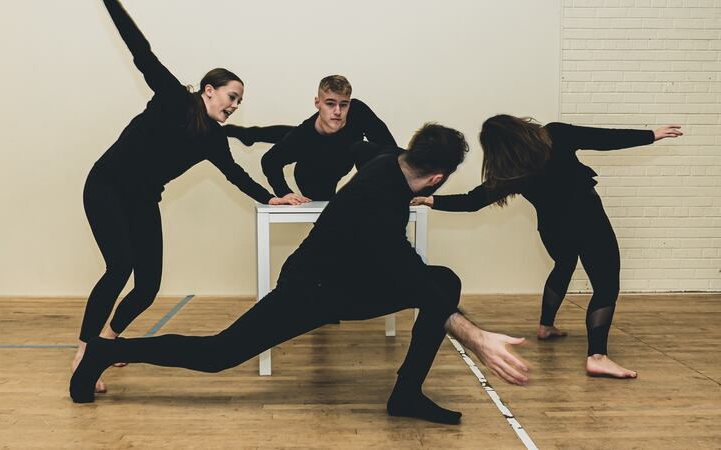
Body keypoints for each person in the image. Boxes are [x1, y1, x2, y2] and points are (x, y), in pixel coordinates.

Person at [71, 124, 529, 425]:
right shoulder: (378, 205)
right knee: (218, 354)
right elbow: (412, 280)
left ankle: (405, 395)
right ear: (437, 179)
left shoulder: (386, 158)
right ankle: (104, 351)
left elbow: (357, 145)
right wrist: (478, 337)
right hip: (310, 290)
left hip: (351, 283)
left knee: (443, 281)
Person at [75, 0, 297, 394]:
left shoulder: (213, 139)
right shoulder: (174, 98)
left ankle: (107, 341)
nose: (235, 105)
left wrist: (270, 198)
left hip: (142, 198)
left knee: (147, 287)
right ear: (209, 91)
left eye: (239, 101)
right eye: (232, 96)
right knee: (119, 268)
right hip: (106, 186)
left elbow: (235, 175)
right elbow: (141, 51)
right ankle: (83, 353)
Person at [413, 115, 682, 378]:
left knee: (564, 264)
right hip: (588, 221)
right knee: (606, 285)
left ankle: (546, 326)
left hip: (553, 230)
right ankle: (597, 357)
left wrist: (430, 200)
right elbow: (602, 138)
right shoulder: (555, 135)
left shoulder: (511, 172)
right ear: (519, 126)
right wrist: (651, 135)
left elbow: (473, 201)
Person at [225, 75, 398, 201]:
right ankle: (250, 134)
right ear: (317, 103)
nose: (338, 111)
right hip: (315, 172)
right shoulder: (303, 137)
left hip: (341, 156)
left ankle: (250, 134)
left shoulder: (358, 112)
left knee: (364, 149)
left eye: (343, 105)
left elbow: (389, 147)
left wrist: (402, 186)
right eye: (330, 104)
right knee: (300, 138)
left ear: (349, 104)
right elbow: (270, 161)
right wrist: (284, 193)